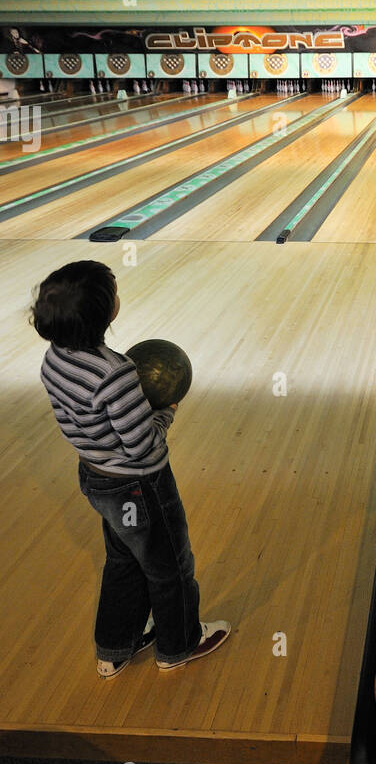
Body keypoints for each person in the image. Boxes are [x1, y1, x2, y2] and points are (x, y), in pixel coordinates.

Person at [30, 260, 230, 679]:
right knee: (169, 565)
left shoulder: (54, 359)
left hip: (97, 479)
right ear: (106, 312)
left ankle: (115, 648)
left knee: (123, 559)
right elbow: (140, 445)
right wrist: (165, 412)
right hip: (141, 487)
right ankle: (179, 645)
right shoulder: (115, 374)